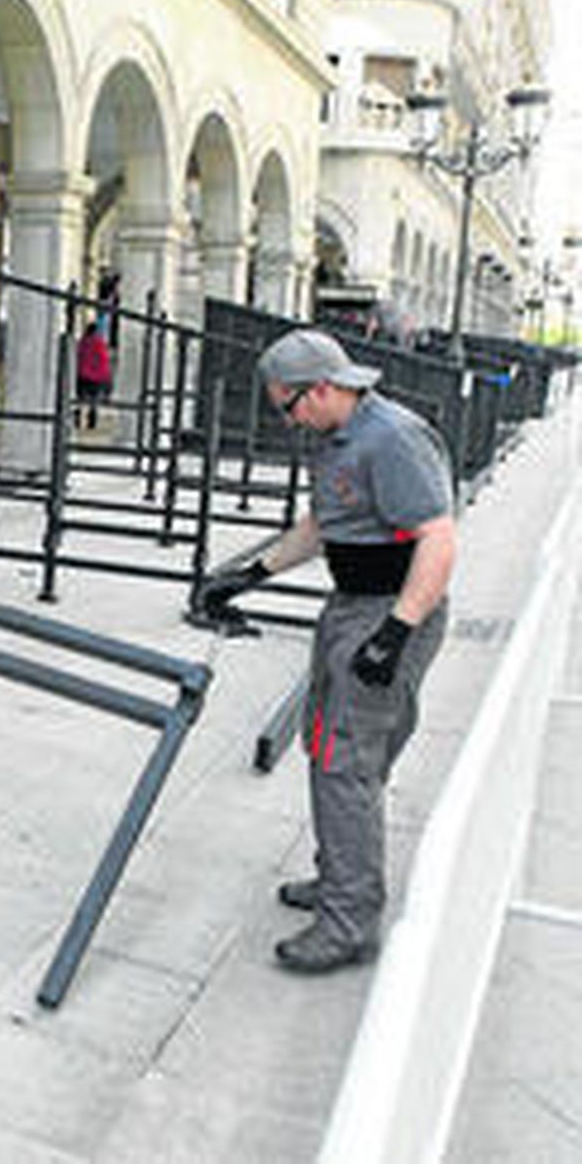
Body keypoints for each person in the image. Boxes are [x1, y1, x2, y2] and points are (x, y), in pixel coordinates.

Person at [196, 329, 455, 974]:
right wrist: (252, 574)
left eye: (290, 407)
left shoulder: (393, 438)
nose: (289, 421)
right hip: (351, 606)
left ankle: (349, 920)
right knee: (328, 744)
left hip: (390, 608)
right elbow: (323, 526)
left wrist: (396, 633)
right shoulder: (336, 440)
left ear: (323, 388)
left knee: (348, 760)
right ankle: (340, 873)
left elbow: (439, 539)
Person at [75, 318, 112, 429]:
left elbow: (79, 358)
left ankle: (79, 415)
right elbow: (104, 361)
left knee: (81, 398)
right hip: (97, 378)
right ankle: (92, 418)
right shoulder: (100, 344)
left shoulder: (83, 343)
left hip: (83, 375)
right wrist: (107, 378)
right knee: (93, 399)